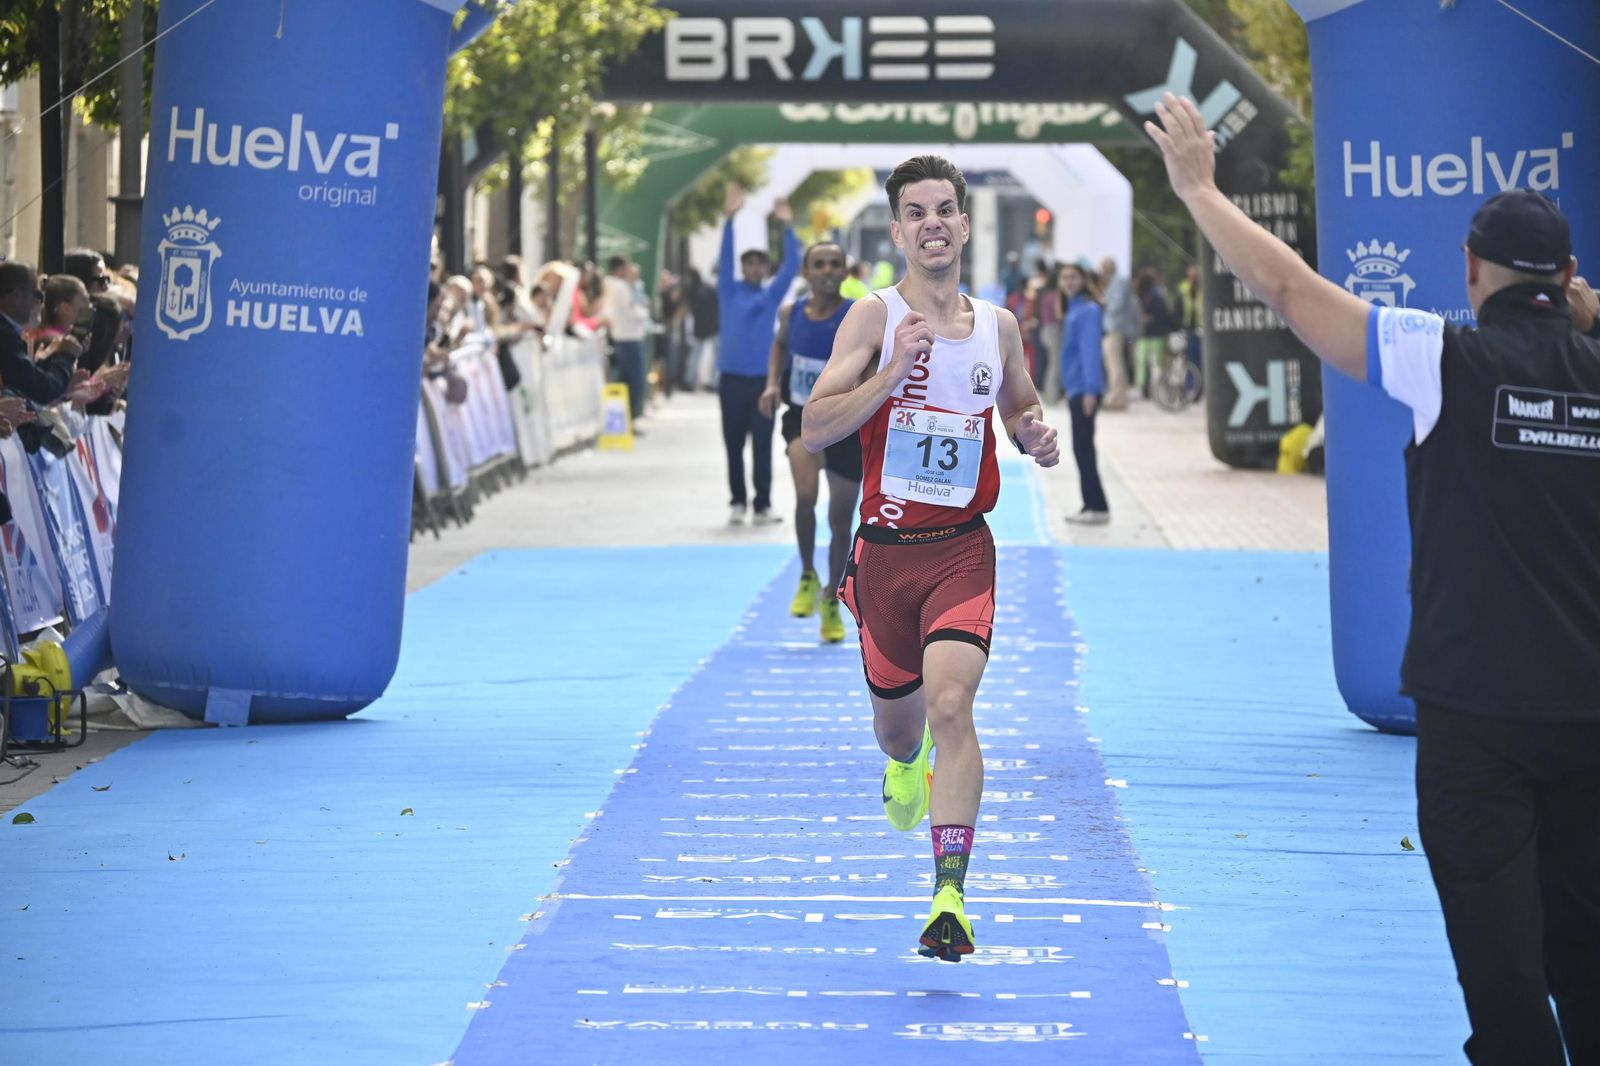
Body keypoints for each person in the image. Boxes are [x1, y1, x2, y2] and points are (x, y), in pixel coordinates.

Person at [1149, 90, 1600, 1066]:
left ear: (1469, 270)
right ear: (1566, 277)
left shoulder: (1444, 358)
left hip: (1474, 721)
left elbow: (1291, 291)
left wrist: (1197, 187)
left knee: (1505, 986)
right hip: (1588, 714)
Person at [802, 155, 1060, 962]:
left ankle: (950, 893)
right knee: (900, 732)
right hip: (883, 561)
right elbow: (815, 427)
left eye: (945, 208)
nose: (934, 223)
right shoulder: (872, 317)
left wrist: (1034, 432)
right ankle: (904, 766)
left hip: (960, 552)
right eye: (917, 213)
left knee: (953, 707)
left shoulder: (999, 325)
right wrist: (890, 373)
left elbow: (1018, 399)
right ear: (899, 230)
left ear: (966, 221)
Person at [757, 241, 860, 644]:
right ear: (807, 270)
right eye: (820, 264)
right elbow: (780, 345)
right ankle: (806, 573)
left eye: (836, 264)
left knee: (840, 519)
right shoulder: (791, 312)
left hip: (846, 423)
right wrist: (770, 385)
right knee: (804, 495)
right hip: (801, 416)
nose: (828, 271)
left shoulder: (857, 314)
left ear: (846, 271)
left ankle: (832, 595)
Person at [717, 184, 800, 526]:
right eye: (748, 263)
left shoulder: (770, 295)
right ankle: (738, 501)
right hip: (731, 380)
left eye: (759, 264)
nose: (753, 268)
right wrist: (728, 222)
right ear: (742, 267)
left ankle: (763, 504)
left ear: (765, 269)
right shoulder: (728, 290)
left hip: (763, 382)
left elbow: (793, 266)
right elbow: (723, 260)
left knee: (763, 445)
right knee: (733, 445)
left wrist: (787, 226)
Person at [1058, 261, 1109, 525]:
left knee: (1083, 447)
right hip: (1076, 387)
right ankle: (1092, 504)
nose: (1068, 282)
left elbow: (1090, 352)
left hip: (1084, 388)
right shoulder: (1074, 310)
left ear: (1084, 279)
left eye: (1074, 277)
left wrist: (1090, 390)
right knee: (1082, 447)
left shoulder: (1087, 311)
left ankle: (1096, 505)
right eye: (1065, 277)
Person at [600, 255, 651, 421]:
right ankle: (627, 420)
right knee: (634, 382)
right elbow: (633, 311)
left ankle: (622, 421)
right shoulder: (620, 287)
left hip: (620, 336)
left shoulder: (609, 284)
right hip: (629, 337)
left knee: (622, 380)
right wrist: (644, 310)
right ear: (620, 268)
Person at [1098, 257, 1135, 410]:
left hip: (1115, 327)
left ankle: (1117, 399)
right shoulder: (1115, 281)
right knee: (1113, 364)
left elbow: (1116, 304)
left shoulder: (1119, 281)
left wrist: (1102, 301)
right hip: (1112, 327)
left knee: (1115, 365)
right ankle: (1117, 396)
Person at [1133, 266, 1175, 399]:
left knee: (1144, 364)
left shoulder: (1141, 295)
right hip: (1155, 335)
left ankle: (1148, 389)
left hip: (1146, 335)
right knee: (1158, 364)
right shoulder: (1157, 295)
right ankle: (1157, 389)